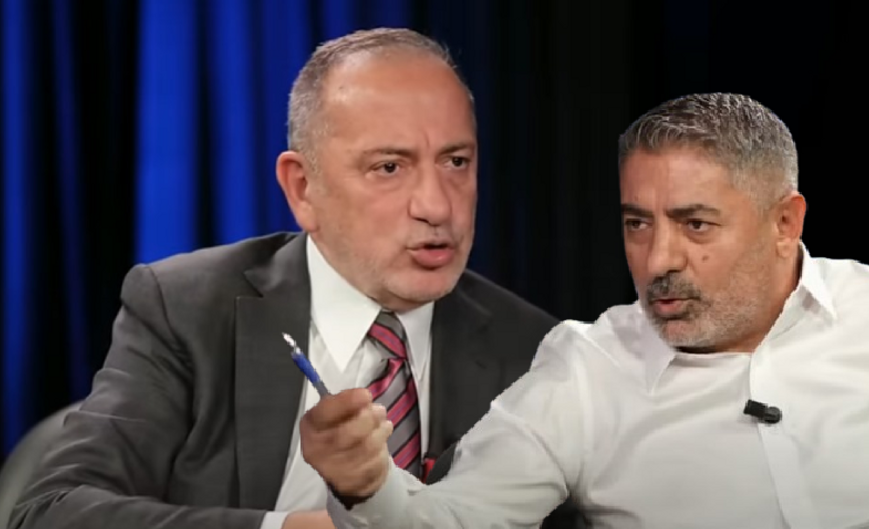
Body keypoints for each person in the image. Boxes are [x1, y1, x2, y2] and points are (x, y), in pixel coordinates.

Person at [10, 28, 583, 529]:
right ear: (303, 189)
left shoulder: (535, 352)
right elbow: (51, 512)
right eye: (389, 167)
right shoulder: (188, 308)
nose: (437, 206)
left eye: (456, 162)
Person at [304, 92, 869, 529]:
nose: (658, 258)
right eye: (638, 223)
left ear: (784, 223)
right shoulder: (587, 371)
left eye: (695, 224)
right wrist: (366, 485)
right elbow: (452, 521)